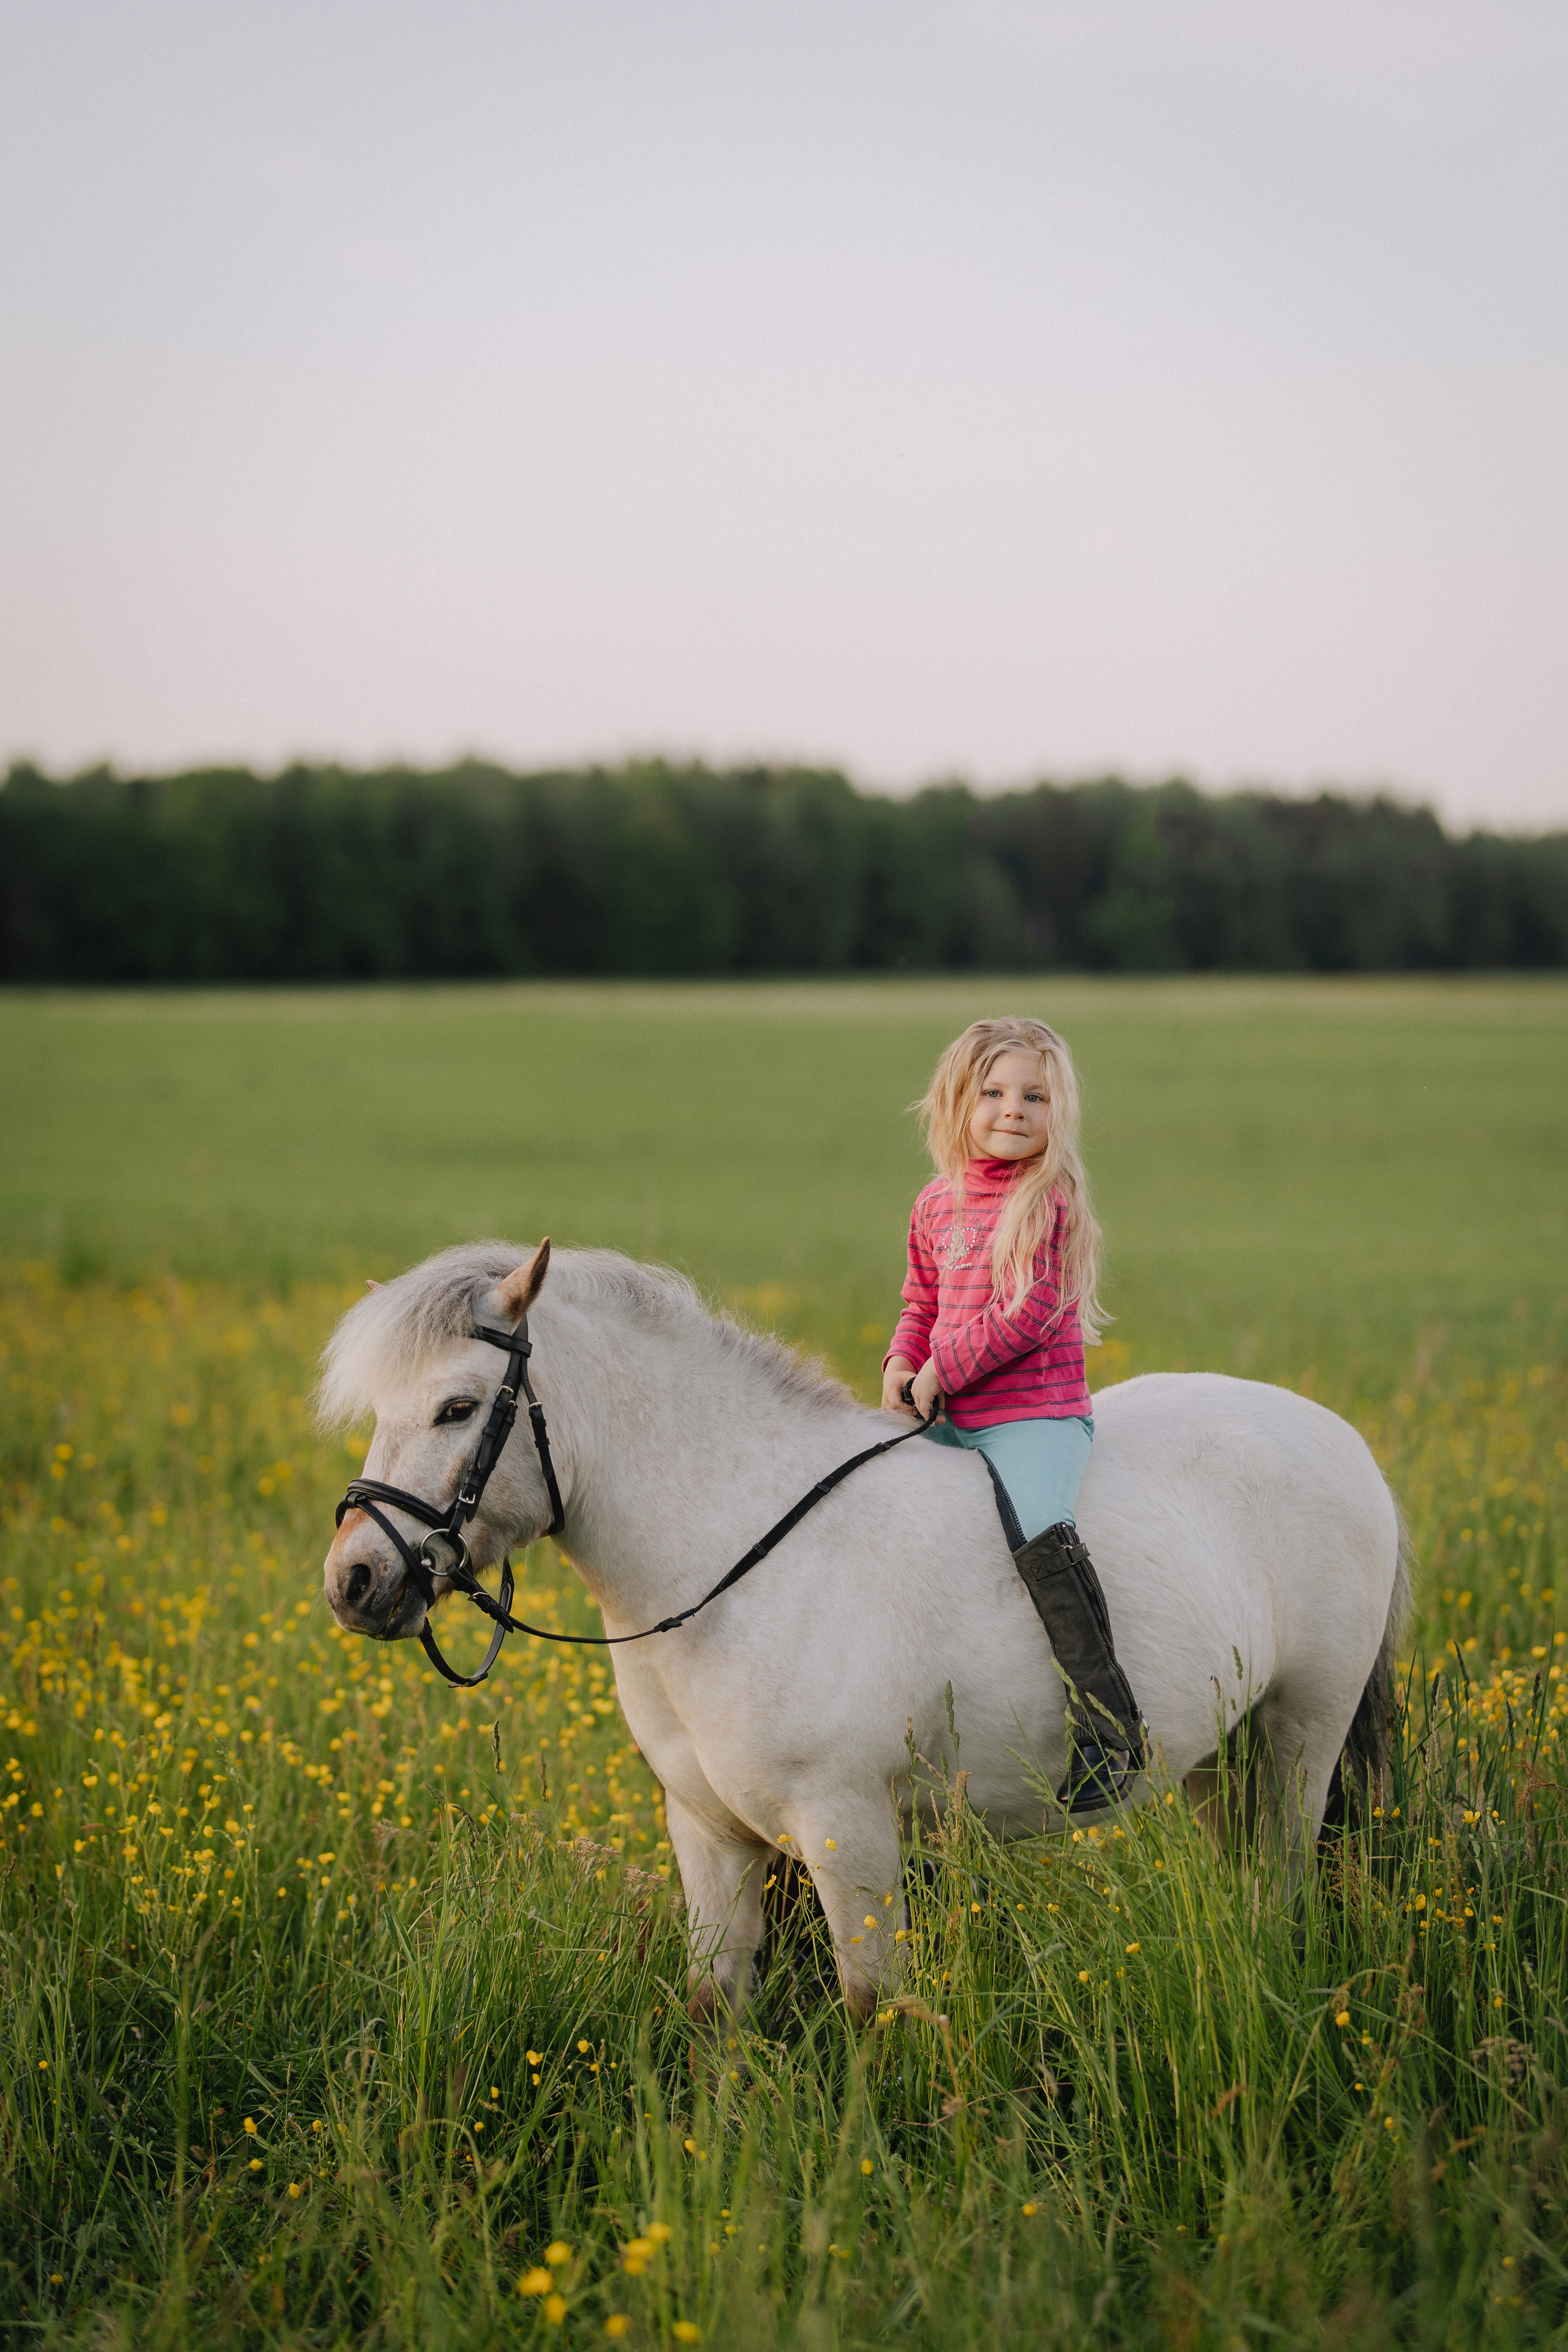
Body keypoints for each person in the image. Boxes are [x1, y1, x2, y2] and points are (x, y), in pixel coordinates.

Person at [882, 1016, 1144, 1814]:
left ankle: (1109, 1726)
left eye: (1034, 1095)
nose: (1012, 1110)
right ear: (958, 1103)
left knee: (1037, 1530)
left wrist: (940, 1371)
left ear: (1057, 1109)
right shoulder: (935, 1204)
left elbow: (1029, 1315)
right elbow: (921, 1301)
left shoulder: (1048, 1201)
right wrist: (901, 1361)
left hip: (1032, 1416)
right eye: (993, 1093)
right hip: (946, 1406)